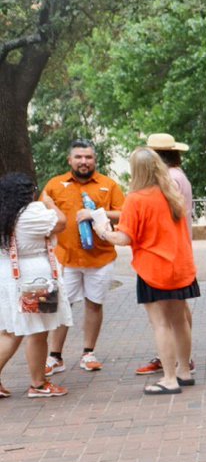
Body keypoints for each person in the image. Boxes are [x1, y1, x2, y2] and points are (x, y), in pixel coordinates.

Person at [92, 148, 198, 394]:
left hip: (154, 269)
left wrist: (103, 232)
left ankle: (169, 379)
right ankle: (183, 371)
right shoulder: (172, 195)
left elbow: (124, 238)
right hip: (180, 265)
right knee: (180, 321)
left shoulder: (136, 199)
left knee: (161, 324)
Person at [40, 139, 124, 374]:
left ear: (95, 160)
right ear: (70, 160)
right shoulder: (55, 185)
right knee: (62, 306)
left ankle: (89, 353)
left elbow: (124, 213)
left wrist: (96, 213)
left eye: (88, 157)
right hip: (65, 259)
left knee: (94, 304)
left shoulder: (108, 185)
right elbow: (41, 214)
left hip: (101, 257)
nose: (83, 161)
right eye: (78, 157)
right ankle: (55, 356)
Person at [0, 173, 71, 398]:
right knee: (38, 332)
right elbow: (61, 222)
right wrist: (50, 203)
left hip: (7, 276)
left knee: (10, 332)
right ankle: (39, 384)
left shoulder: (4, 214)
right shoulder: (31, 212)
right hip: (34, 278)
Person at [138, 133, 196, 379]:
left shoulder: (169, 179)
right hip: (180, 249)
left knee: (167, 317)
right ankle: (182, 359)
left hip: (167, 252)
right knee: (179, 311)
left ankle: (175, 360)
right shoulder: (178, 176)